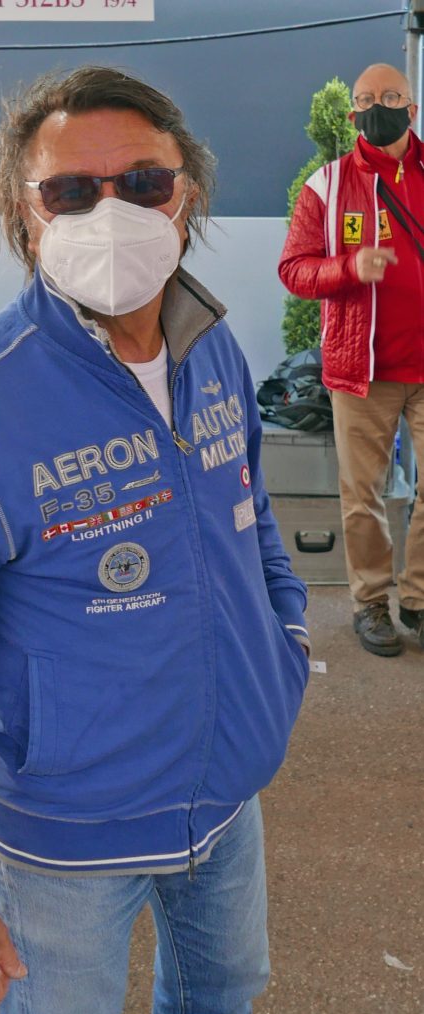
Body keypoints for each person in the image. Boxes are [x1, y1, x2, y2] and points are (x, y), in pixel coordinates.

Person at [0, 65, 310, 1014]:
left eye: (142, 183)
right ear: (26, 217)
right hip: (65, 841)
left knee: (222, 1000)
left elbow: (250, 516)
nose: (110, 213)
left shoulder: (212, 348)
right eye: (71, 191)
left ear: (185, 191)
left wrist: (283, 646)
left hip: (227, 803)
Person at [279, 63, 424, 657]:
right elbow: (294, 268)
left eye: (389, 97)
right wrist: (348, 268)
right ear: (352, 114)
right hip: (362, 371)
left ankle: (416, 598)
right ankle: (370, 604)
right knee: (362, 495)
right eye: (365, 100)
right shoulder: (327, 187)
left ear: (411, 108)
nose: (376, 107)